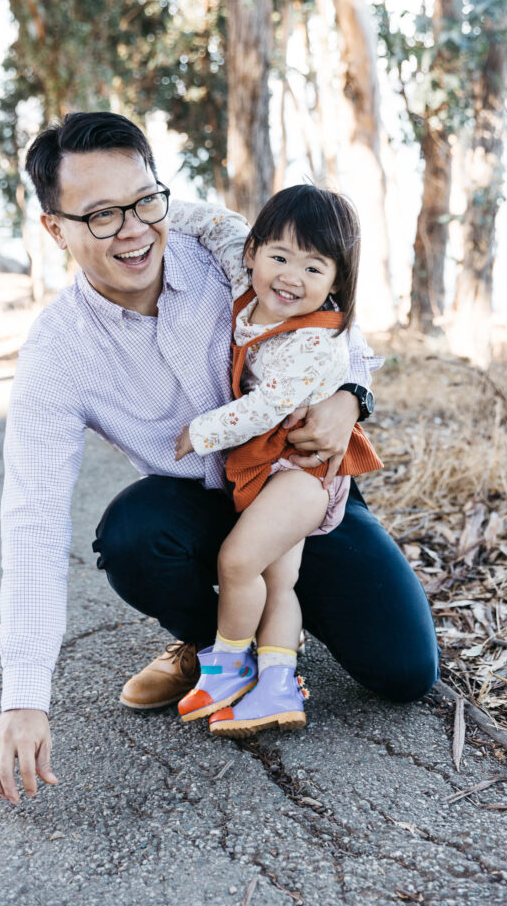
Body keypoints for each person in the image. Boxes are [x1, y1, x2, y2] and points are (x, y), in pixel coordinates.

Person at [0, 111, 439, 805]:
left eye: (143, 202)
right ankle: (213, 642)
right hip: (197, 503)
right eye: (101, 216)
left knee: (405, 672)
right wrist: (23, 697)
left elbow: (325, 307)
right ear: (55, 229)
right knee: (133, 532)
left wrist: (349, 394)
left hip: (297, 482)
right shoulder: (55, 356)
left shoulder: (222, 251)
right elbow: (32, 520)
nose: (134, 230)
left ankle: (274, 607)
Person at [170, 185, 383, 737]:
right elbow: (219, 226)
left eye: (315, 268)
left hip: (303, 474)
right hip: (277, 470)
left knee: (237, 562)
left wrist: (202, 431)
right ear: (254, 253)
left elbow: (268, 405)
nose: (291, 277)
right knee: (277, 581)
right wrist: (159, 210)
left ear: (337, 284)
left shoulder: (318, 343)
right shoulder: (247, 285)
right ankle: (278, 685)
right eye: (280, 257)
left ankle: (228, 666)